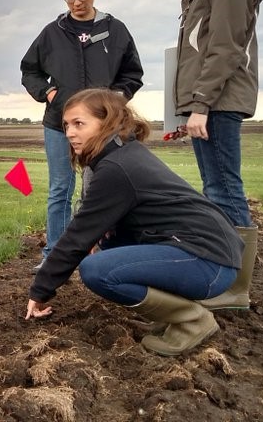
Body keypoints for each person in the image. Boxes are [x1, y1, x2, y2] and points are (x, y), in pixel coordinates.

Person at [25, 88, 244, 356]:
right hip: (208, 253)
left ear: (107, 122)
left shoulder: (116, 168)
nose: (70, 133)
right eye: (67, 125)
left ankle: (192, 320)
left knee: (97, 270)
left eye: (79, 123)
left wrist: (40, 290)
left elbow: (77, 236)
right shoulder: (124, 154)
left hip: (210, 263)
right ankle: (168, 312)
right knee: (109, 243)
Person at [20, 0, 143, 273]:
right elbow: (29, 70)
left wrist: (116, 100)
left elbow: (133, 73)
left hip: (104, 128)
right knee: (60, 189)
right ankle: (54, 255)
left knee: (100, 190)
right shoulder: (52, 33)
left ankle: (102, 253)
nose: (76, 3)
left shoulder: (115, 30)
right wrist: (48, 93)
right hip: (59, 125)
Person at [173, 0, 263, 311]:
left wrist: (202, 104)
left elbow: (225, 50)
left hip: (219, 102)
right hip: (208, 102)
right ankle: (222, 275)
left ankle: (236, 287)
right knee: (214, 188)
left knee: (225, 188)